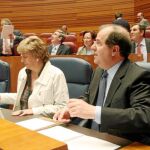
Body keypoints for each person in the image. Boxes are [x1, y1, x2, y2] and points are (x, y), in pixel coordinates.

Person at [53, 24, 150, 144]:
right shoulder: (99, 70)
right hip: (90, 139)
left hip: (120, 143)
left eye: (98, 43)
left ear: (115, 50)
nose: (92, 47)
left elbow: (144, 116)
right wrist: (72, 109)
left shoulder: (137, 76)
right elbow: (90, 97)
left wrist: (94, 112)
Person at [0, 36, 69, 117]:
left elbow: (62, 107)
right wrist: (1, 97)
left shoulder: (56, 74)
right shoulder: (23, 72)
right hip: (21, 119)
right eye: (21, 56)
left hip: (44, 122)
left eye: (25, 57)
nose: (22, 60)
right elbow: (22, 97)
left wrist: (33, 111)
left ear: (37, 56)